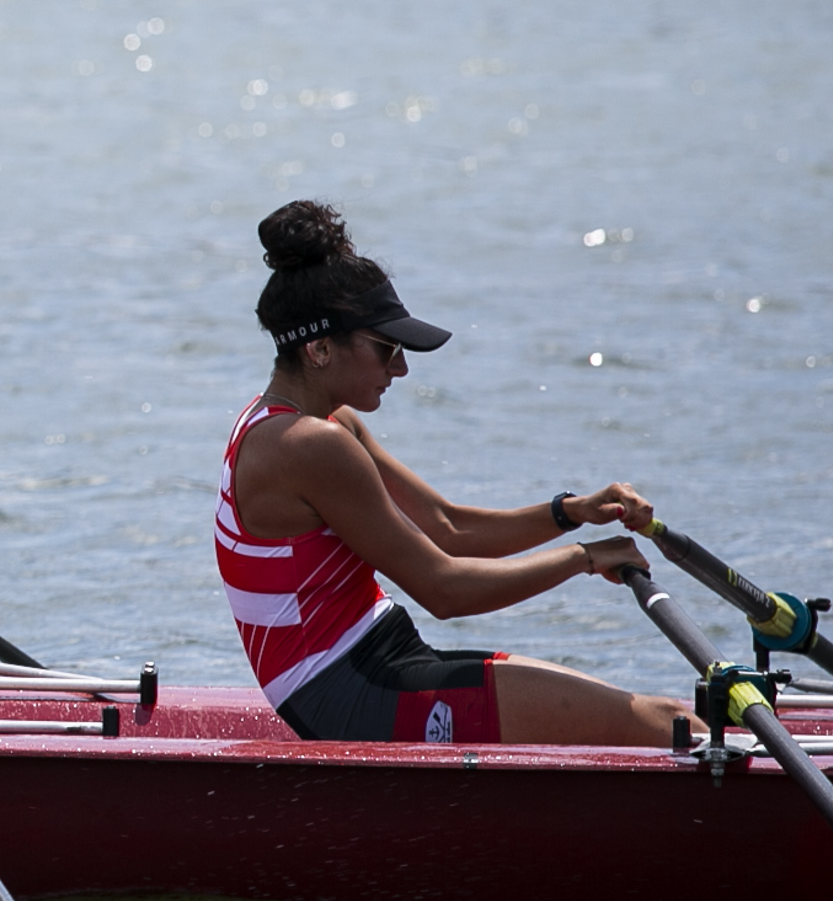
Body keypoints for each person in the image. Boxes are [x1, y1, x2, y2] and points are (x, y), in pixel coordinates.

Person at [216, 200, 674, 746]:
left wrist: (569, 512)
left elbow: (448, 526)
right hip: (352, 693)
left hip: (379, 665)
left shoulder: (302, 423)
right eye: (386, 349)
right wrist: (585, 559)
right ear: (318, 349)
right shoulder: (308, 445)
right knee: (665, 725)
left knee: (661, 717)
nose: (401, 367)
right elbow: (444, 590)